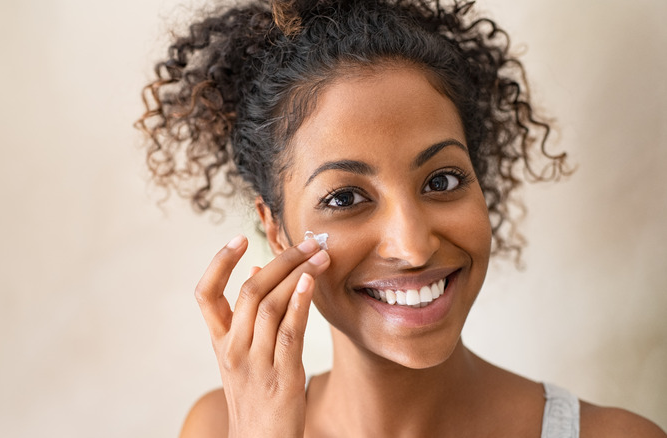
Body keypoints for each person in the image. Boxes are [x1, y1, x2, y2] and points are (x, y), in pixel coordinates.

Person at [136, 0, 667, 436]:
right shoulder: (219, 428)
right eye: (345, 198)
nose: (412, 247)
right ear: (276, 229)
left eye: (442, 181)